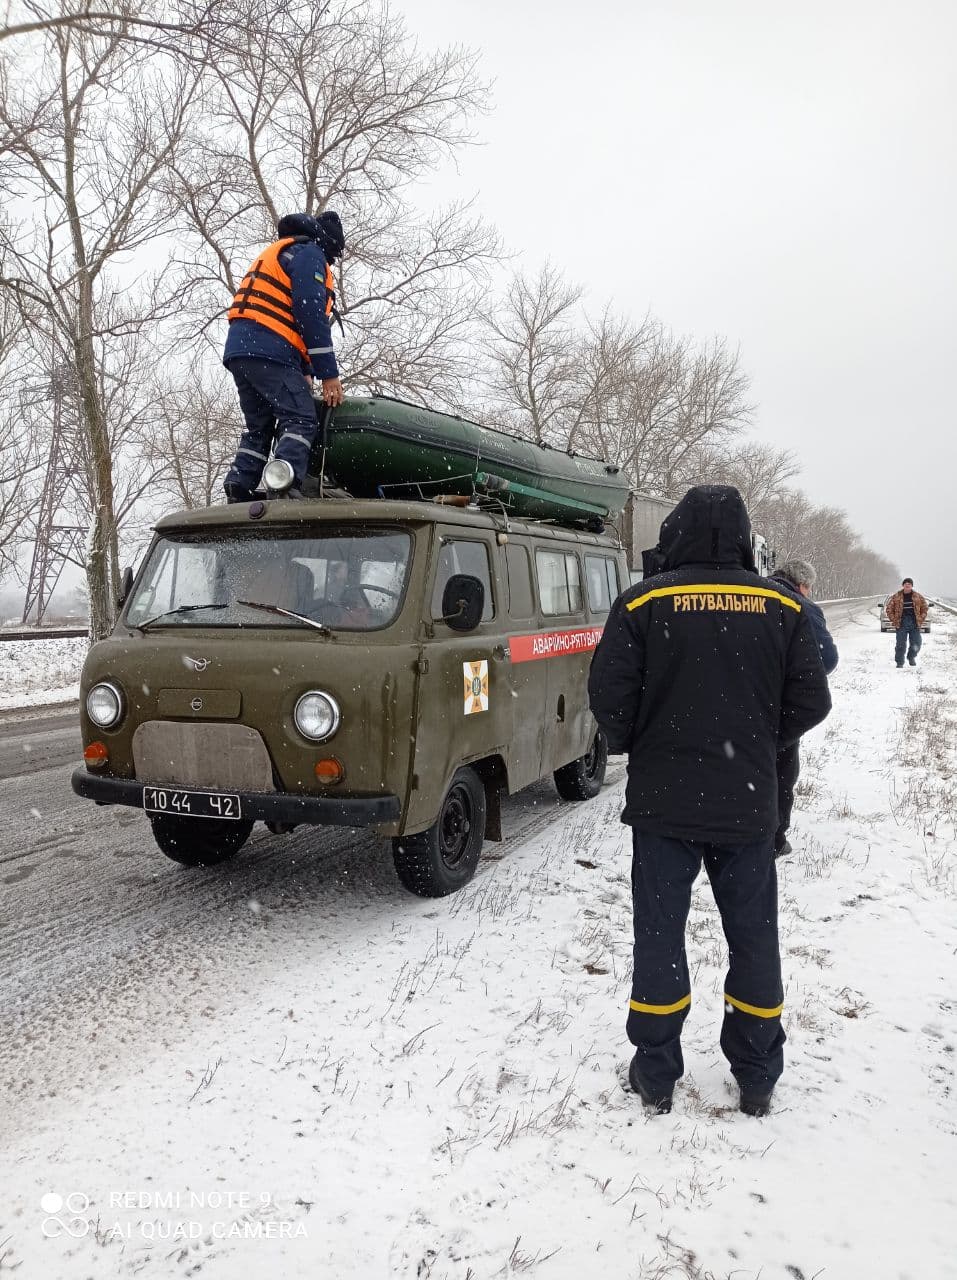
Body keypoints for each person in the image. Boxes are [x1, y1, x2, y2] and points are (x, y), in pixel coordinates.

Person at [588, 485, 831, 1118]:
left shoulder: (642, 601)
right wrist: (751, 742)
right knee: (753, 938)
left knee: (660, 937)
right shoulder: (784, 606)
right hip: (747, 806)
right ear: (747, 538)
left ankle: (656, 1074)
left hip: (663, 806)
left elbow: (609, 698)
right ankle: (756, 1075)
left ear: (677, 533)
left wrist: (649, 741)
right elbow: (812, 700)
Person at [222, 211, 346, 504]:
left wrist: (305, 369)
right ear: (329, 243)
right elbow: (309, 315)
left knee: (260, 425)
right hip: (270, 349)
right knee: (301, 418)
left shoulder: (283, 251)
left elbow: (287, 317)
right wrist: (328, 374)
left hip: (242, 350)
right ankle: (284, 487)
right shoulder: (310, 254)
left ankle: (239, 484)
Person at [767, 558, 838, 857]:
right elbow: (827, 659)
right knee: (781, 774)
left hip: (736, 700)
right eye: (809, 588)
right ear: (801, 585)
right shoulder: (802, 607)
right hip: (780, 705)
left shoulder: (749, 593)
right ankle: (774, 839)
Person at [885, 577, 929, 668]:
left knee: (917, 643)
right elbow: (889, 609)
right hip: (901, 623)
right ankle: (899, 662)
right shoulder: (896, 596)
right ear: (903, 585)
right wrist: (894, 620)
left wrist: (921, 618)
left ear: (912, 586)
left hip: (914, 623)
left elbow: (925, 607)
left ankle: (911, 657)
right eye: (906, 584)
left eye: (909, 584)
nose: (907, 585)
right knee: (900, 644)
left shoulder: (918, 596)